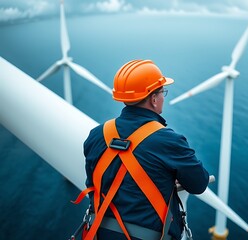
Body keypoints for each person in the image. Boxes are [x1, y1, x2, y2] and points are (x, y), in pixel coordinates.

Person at [83, 59, 209, 240]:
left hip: (100, 234)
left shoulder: (96, 135)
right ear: (154, 99)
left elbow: (92, 184)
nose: (163, 97)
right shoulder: (169, 141)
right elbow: (199, 184)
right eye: (162, 92)